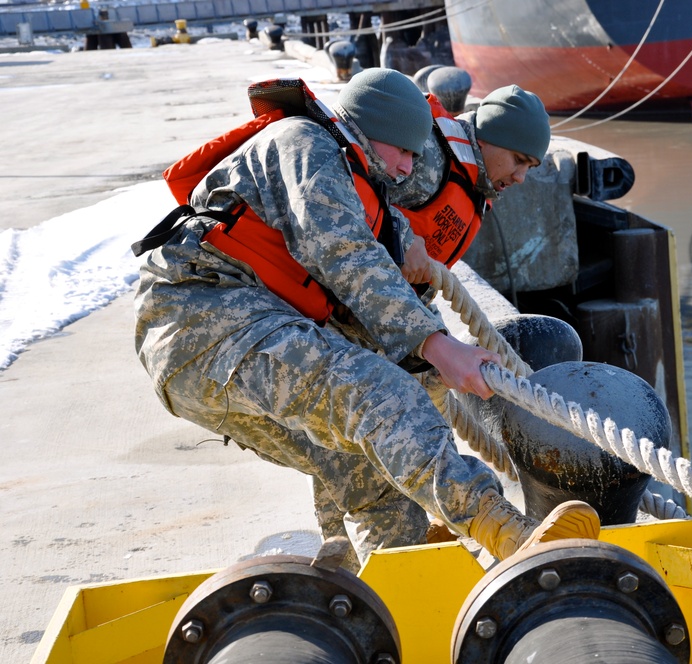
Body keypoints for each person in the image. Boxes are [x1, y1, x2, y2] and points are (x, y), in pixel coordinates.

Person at [132, 69, 599, 570]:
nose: (407, 169)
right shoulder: (304, 143)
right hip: (201, 320)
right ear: (374, 131)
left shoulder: (369, 185)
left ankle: (360, 580)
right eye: (403, 152)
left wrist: (421, 340)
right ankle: (509, 532)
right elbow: (343, 252)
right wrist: (437, 346)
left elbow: (371, 274)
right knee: (382, 396)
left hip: (224, 346)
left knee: (369, 464)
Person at [389, 84, 551, 286]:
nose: (521, 178)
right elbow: (350, 194)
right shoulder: (429, 156)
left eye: (530, 167)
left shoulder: (480, 182)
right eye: (519, 160)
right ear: (485, 139)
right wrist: (403, 240)